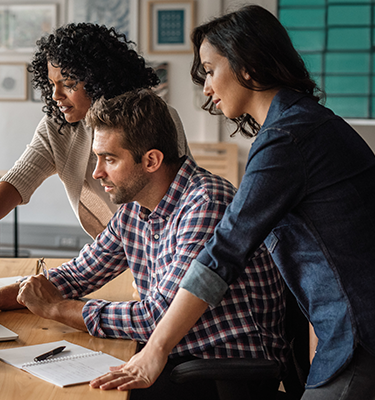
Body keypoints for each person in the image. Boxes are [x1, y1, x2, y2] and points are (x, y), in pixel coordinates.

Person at [92, 6, 375, 399]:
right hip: (345, 331)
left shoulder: (287, 139)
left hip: (360, 333)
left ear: (248, 65)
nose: (206, 87)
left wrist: (155, 349)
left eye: (210, 70)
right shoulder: (301, 125)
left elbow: (223, 252)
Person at [0, 88, 286, 399]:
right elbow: (80, 273)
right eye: (97, 157)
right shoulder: (138, 204)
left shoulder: (205, 204)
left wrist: (58, 310)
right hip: (176, 354)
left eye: (109, 159)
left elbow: (155, 317)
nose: (97, 172)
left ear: (151, 160)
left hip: (220, 369)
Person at [0, 23, 190, 278]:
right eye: (52, 84)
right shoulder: (58, 126)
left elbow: (175, 200)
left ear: (99, 79)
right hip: (113, 252)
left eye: (68, 83)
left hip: (166, 250)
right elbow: (18, 180)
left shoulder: (151, 118)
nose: (55, 95)